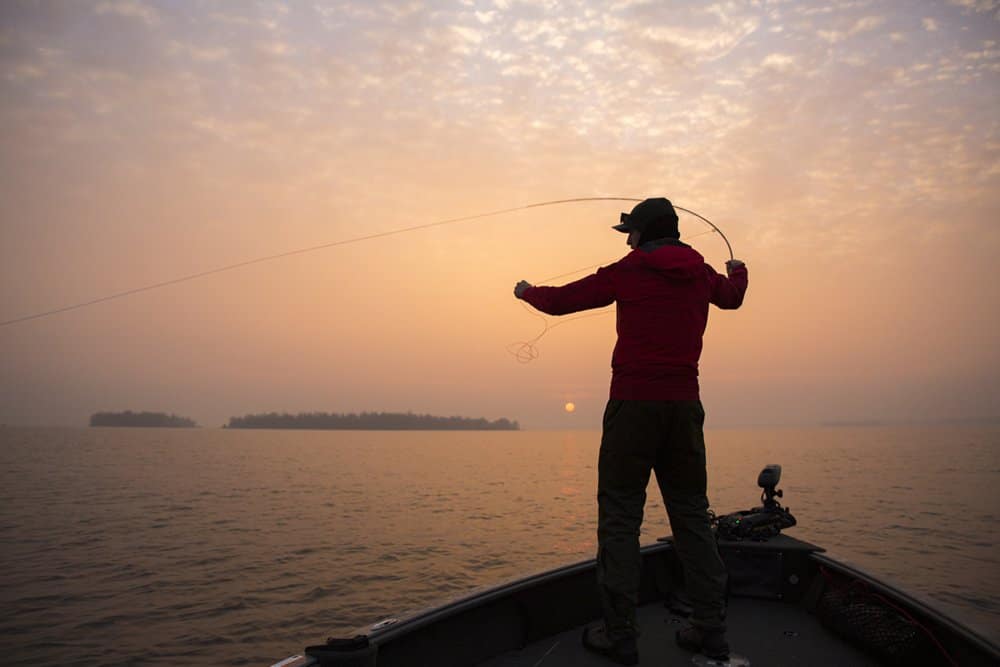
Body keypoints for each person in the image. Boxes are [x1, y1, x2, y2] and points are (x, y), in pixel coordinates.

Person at [513, 197, 748, 665]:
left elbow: (560, 303)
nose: (628, 239)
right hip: (684, 408)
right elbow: (733, 297)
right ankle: (711, 631)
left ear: (643, 233)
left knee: (620, 518)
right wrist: (738, 269)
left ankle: (620, 635)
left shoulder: (629, 269)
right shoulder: (701, 273)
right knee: (692, 517)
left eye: (630, 232)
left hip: (632, 407)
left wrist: (525, 291)